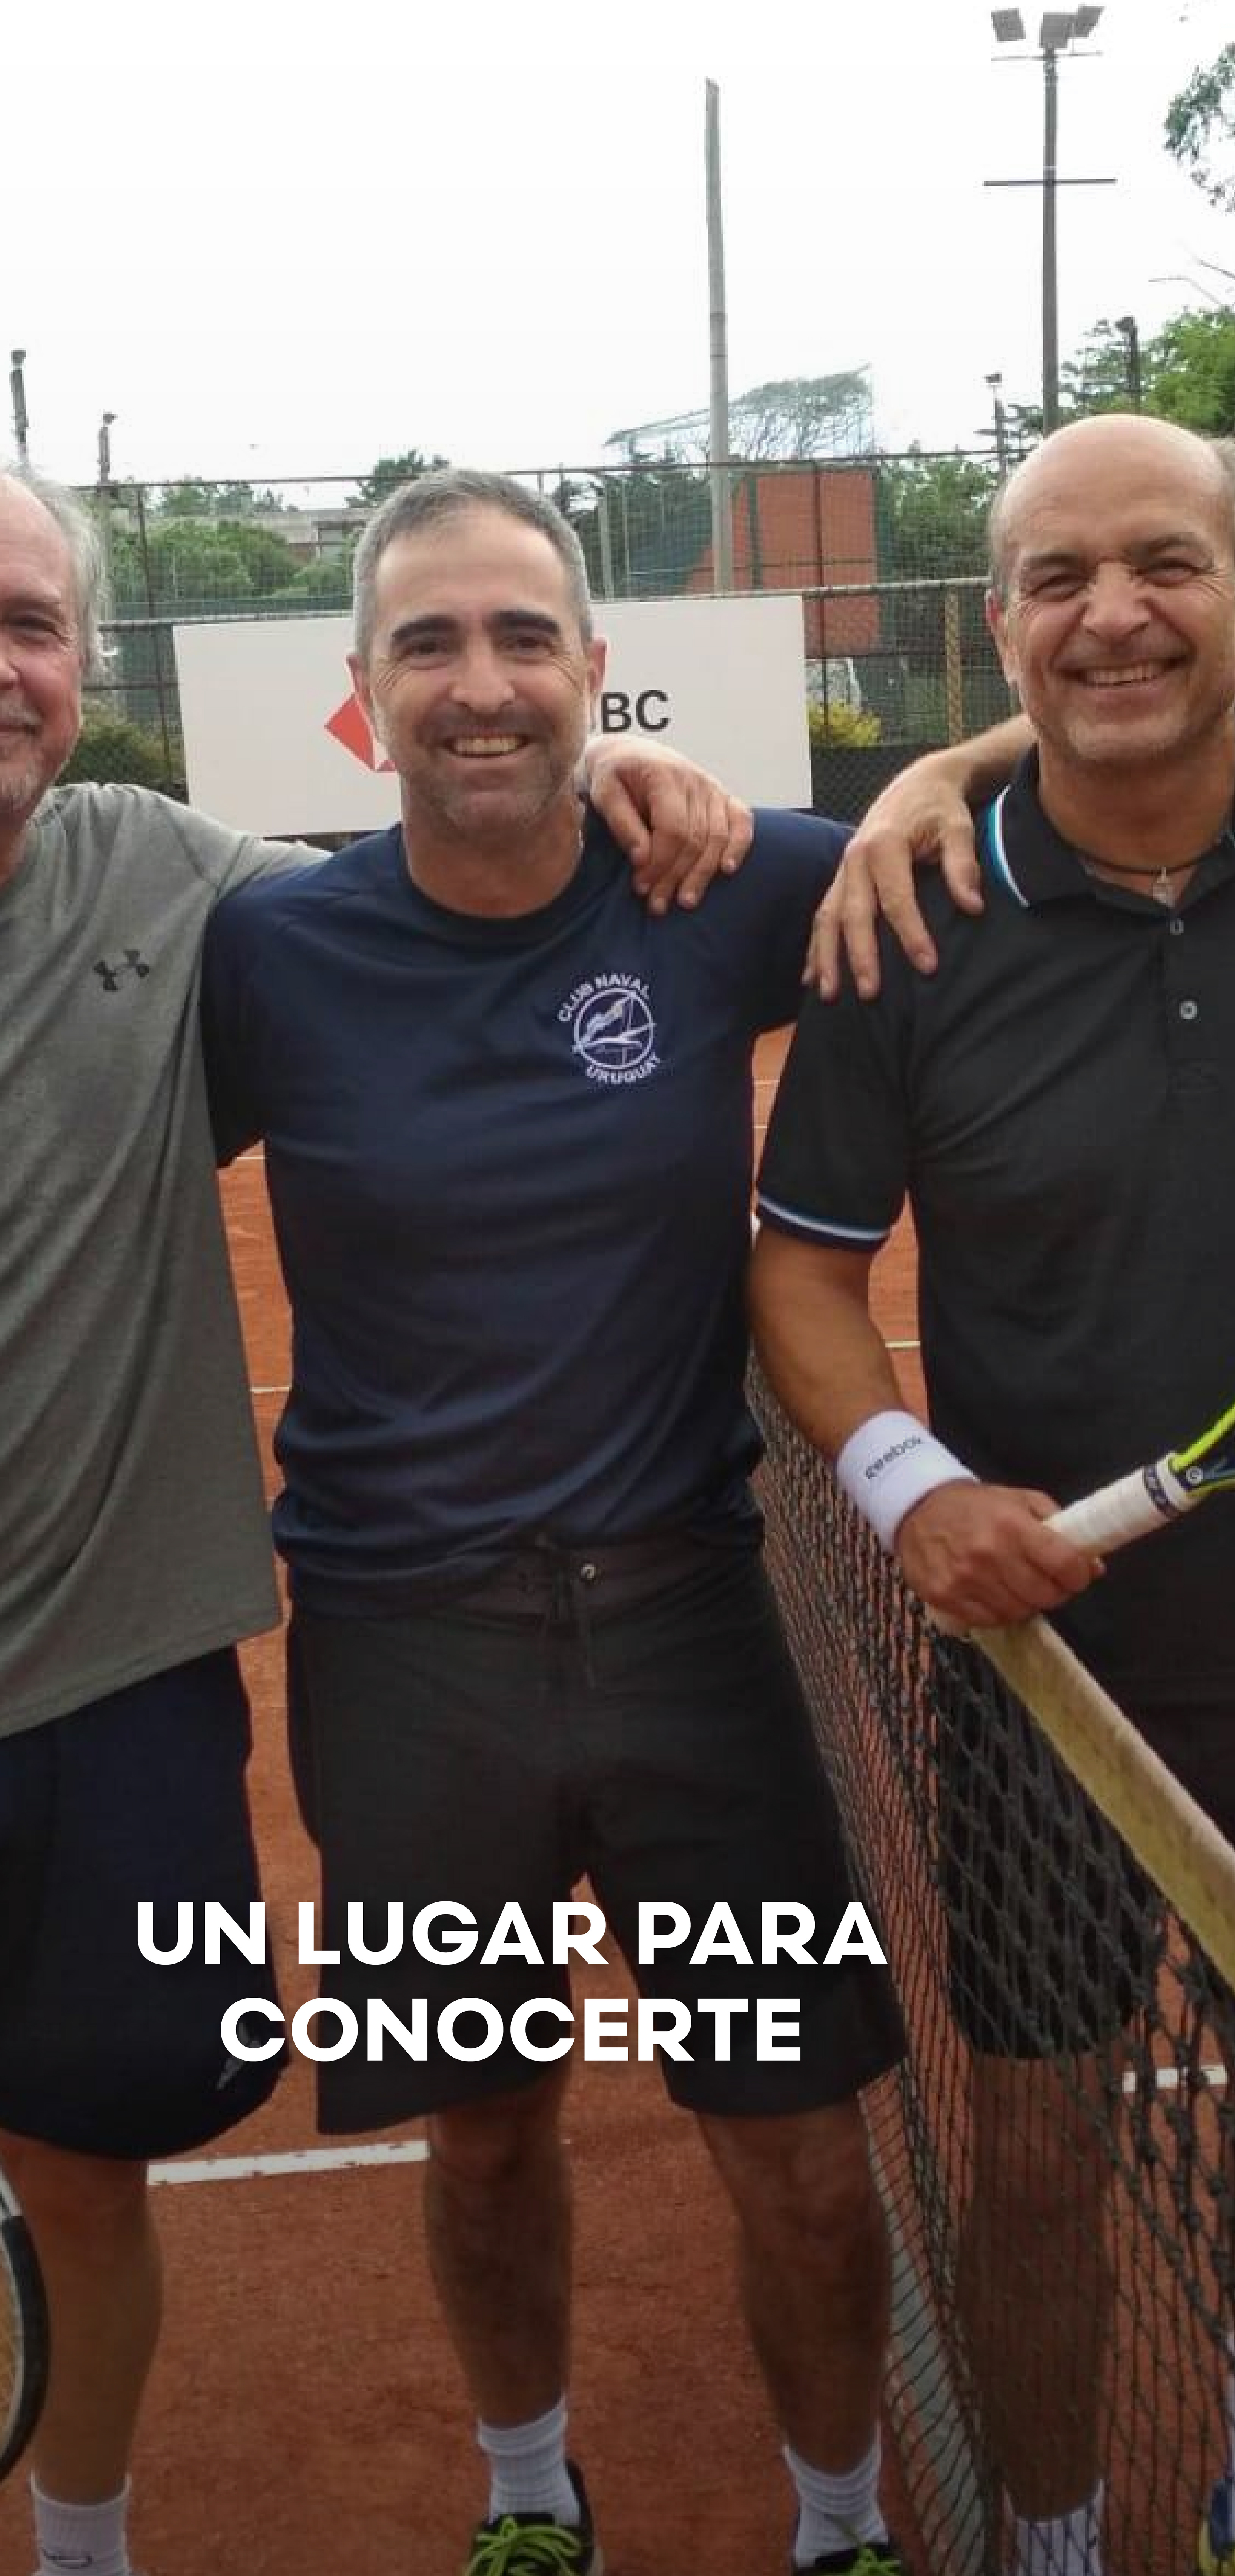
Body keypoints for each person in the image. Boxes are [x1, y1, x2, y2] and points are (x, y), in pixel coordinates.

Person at [0, 449, 751, 2576]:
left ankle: (90, 2555)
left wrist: (611, 783)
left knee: (94, 2170)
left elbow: (439, 878)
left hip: (125, 1703)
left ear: (81, 662)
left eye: (30, 624)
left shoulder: (165, 879)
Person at [200, 466, 912, 2576]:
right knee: (490, 2138)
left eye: (526, 639)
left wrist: (910, 765)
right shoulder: (272, 954)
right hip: (407, 1652)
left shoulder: (723, 892)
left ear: (598, 670)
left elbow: (982, 825)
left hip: (690, 1626)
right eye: (429, 643)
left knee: (802, 2158)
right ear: (364, 697)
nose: (482, 682)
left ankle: (843, 2528)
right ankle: (530, 2501)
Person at [749, 412, 1235, 2576]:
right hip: (1057, 1673)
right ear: (1002, 622)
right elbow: (802, 1274)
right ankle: (1048, 2544)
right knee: (1035, 2162)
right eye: (1059, 578)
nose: (1114, 615)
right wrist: (912, 1486)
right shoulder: (912, 918)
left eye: (1170, 563)